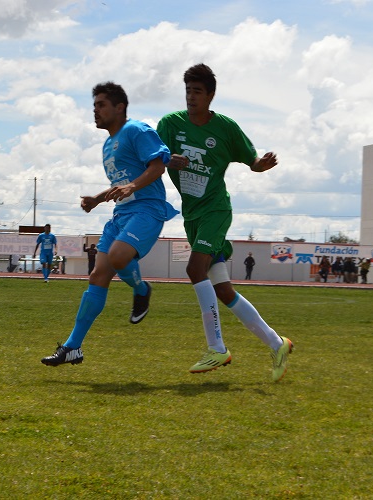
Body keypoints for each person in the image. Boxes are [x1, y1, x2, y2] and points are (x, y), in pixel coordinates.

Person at [158, 64, 292, 382]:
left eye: (198, 91)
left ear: (211, 96)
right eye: (188, 90)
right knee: (223, 290)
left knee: (194, 270)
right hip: (192, 215)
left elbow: (252, 161)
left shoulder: (226, 128)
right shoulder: (170, 124)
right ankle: (277, 343)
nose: (191, 97)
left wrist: (263, 164)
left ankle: (216, 347)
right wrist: (167, 159)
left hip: (216, 211)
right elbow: (153, 156)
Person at [41, 81, 177, 367]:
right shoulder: (107, 145)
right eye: (94, 106)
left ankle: (141, 290)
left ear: (120, 107)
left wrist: (133, 187)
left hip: (147, 210)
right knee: (97, 276)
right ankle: (72, 348)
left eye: (101, 105)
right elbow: (120, 185)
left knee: (117, 256)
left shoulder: (137, 130)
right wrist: (97, 199)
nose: (95, 111)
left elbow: (158, 166)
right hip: (121, 215)